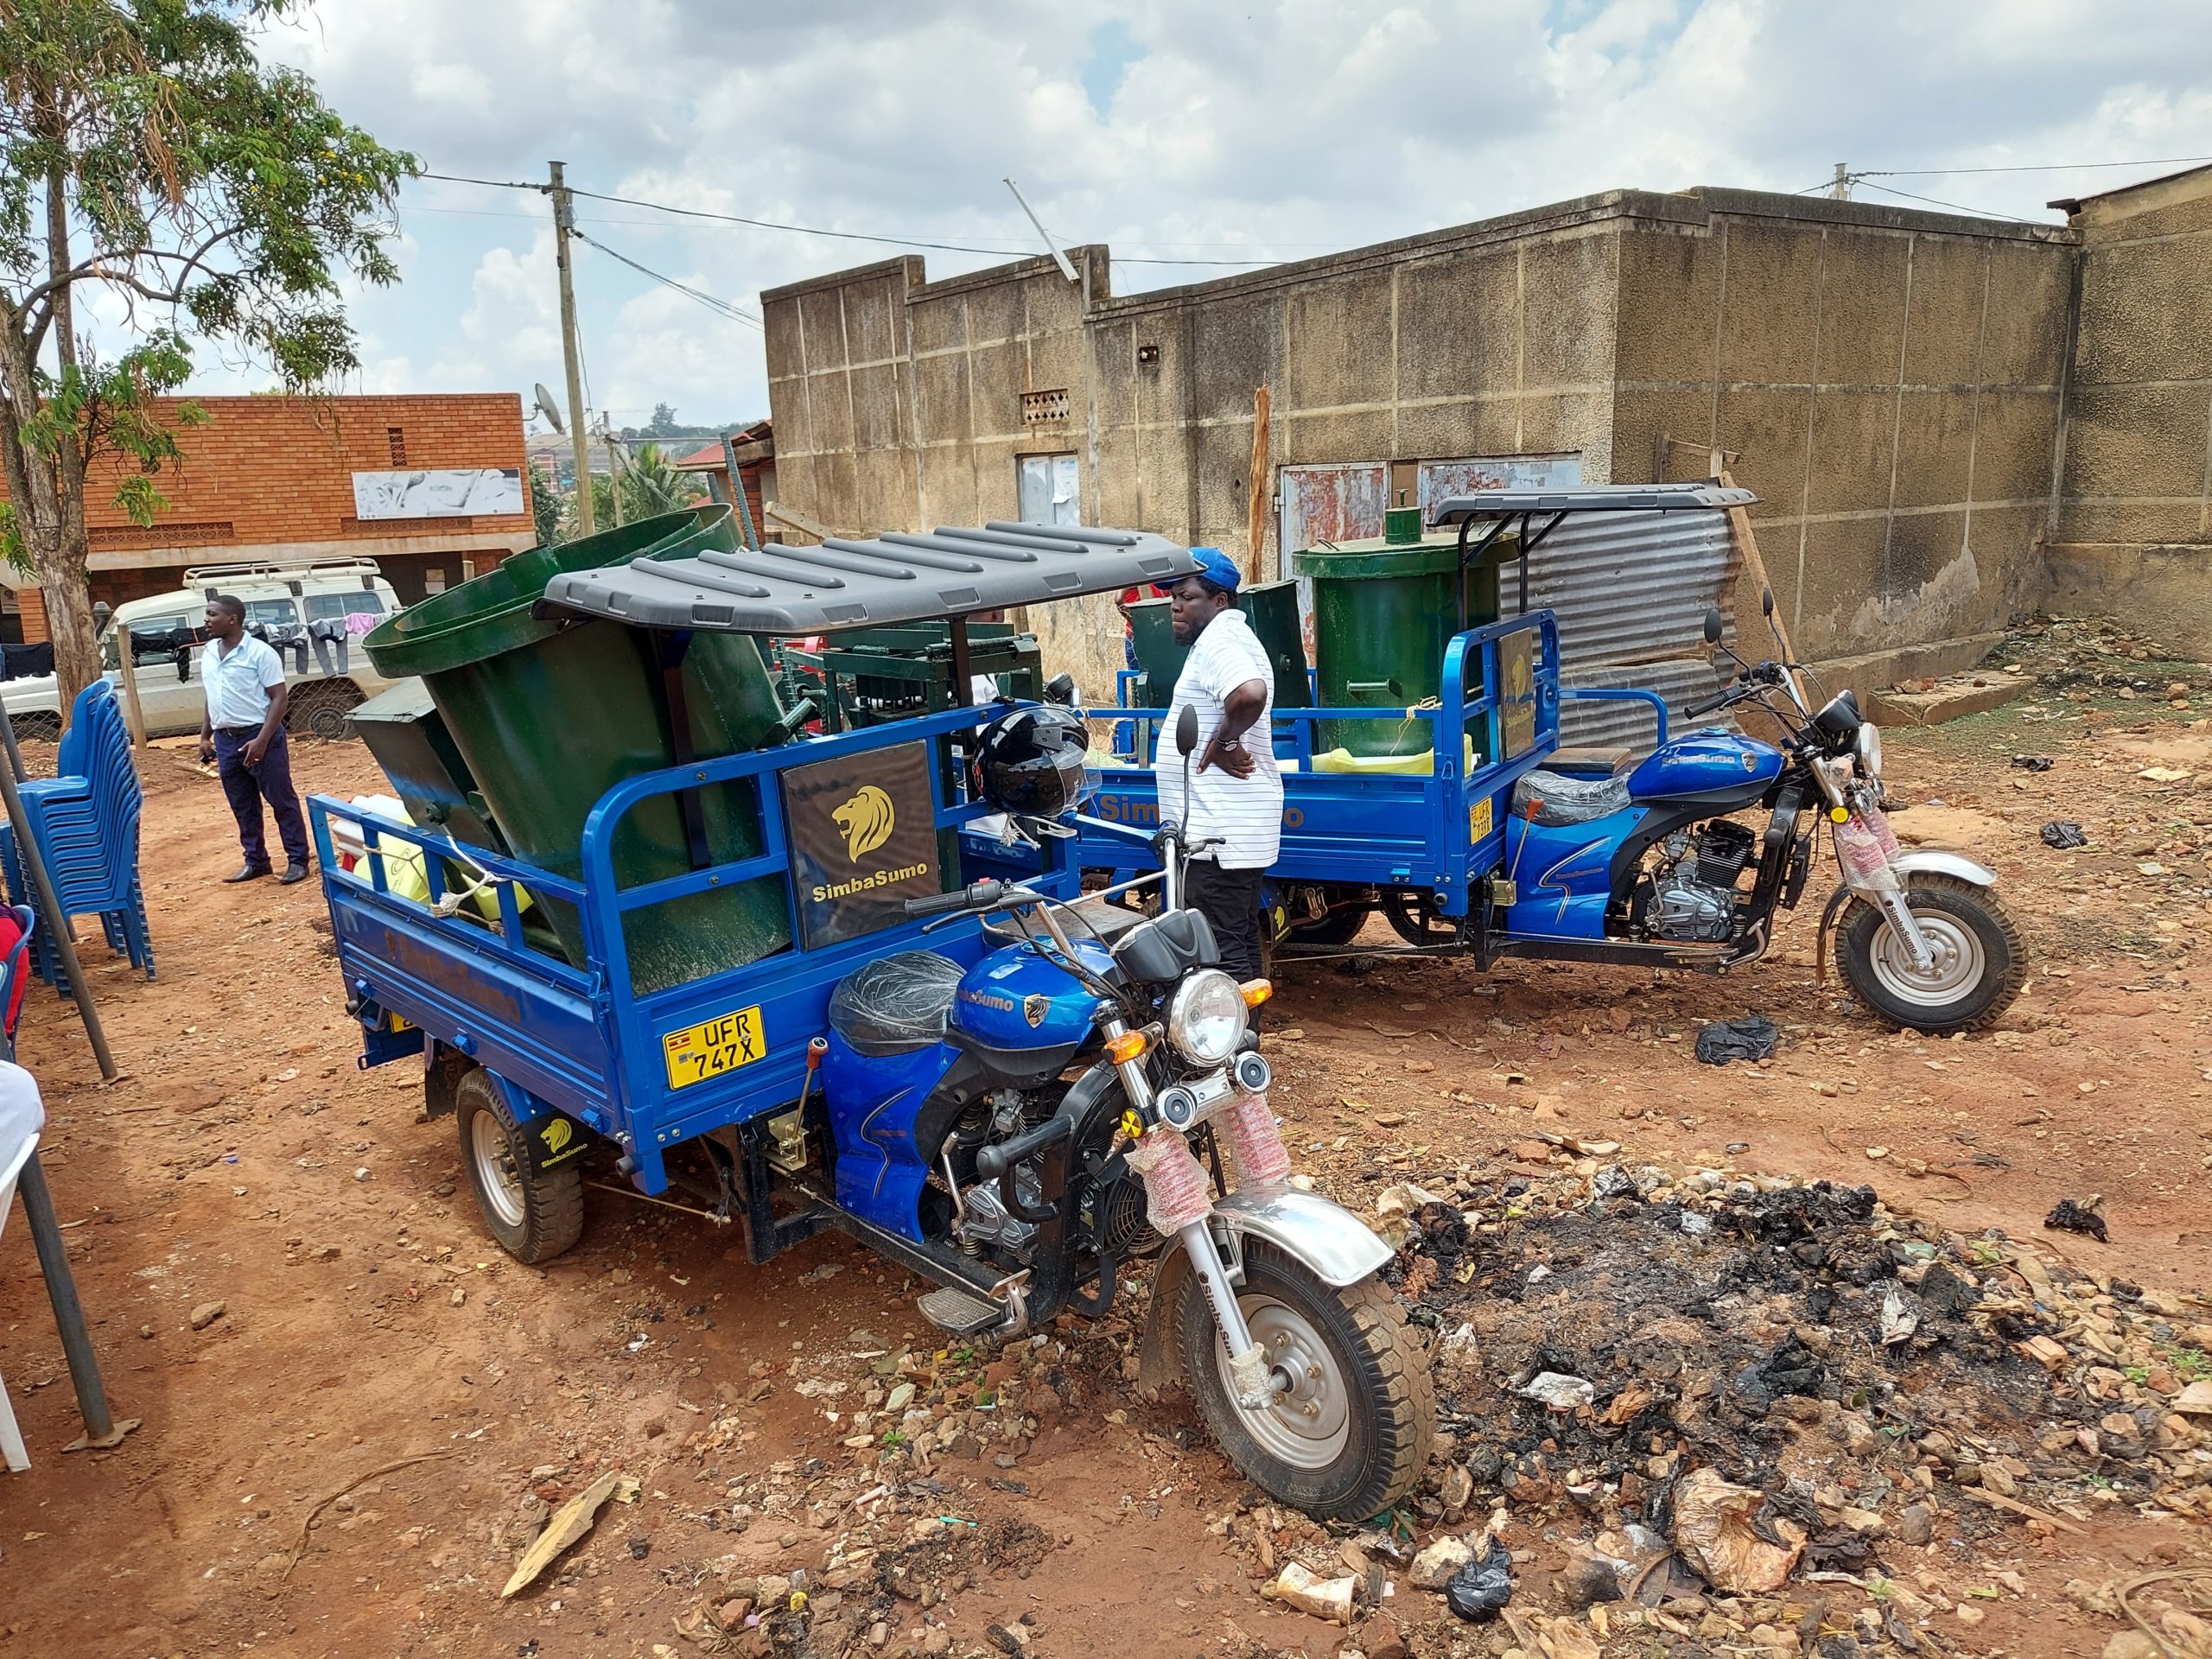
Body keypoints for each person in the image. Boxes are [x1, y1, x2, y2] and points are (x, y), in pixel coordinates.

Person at [1157, 547, 1281, 988]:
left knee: (1220, 950)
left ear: (1220, 600)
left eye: (1186, 596)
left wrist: (1226, 740)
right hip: (1234, 833)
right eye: (1172, 595)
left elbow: (1248, 693)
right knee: (1241, 939)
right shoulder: (1228, 638)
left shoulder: (1220, 641)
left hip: (1217, 837)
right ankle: (1246, 1047)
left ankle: (1225, 1052)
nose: (1174, 605)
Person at [196, 594, 310, 885]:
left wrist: (261, 740)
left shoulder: (260, 653)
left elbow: (279, 697)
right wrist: (205, 735)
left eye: (212, 614)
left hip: (260, 736)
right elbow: (212, 695)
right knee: (242, 805)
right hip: (225, 740)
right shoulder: (209, 652)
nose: (206, 620)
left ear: (232, 619)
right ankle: (256, 861)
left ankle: (298, 860)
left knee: (281, 800)